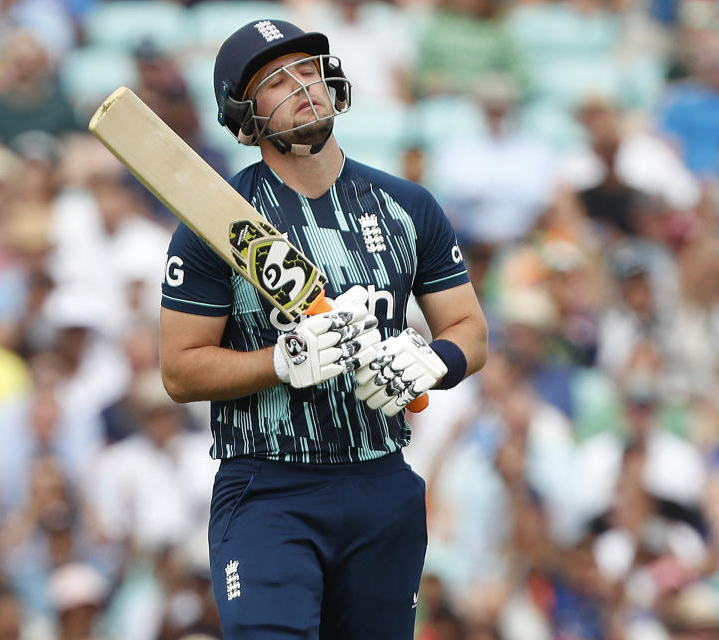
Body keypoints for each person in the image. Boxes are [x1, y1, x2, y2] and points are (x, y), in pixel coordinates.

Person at [159, 19, 488, 639]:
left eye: (309, 69)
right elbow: (179, 369)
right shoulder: (213, 222)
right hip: (268, 485)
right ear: (242, 114)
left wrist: (434, 360)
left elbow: (470, 327)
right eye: (276, 80)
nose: (301, 86)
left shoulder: (407, 206)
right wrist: (280, 362)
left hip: (382, 480)